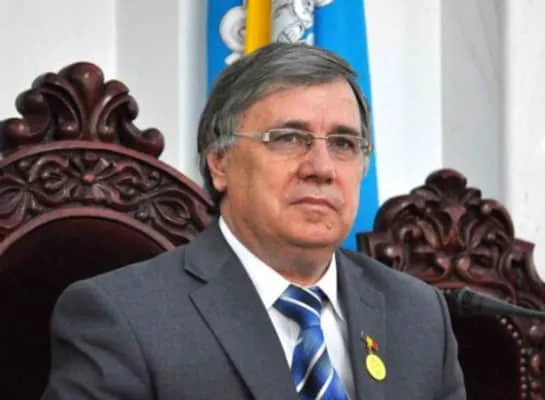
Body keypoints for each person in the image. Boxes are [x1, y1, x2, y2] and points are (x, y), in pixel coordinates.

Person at [41, 42, 466, 399]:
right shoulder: (124, 317)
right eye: (288, 138)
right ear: (219, 162)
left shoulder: (417, 314)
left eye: (343, 143)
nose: (321, 167)